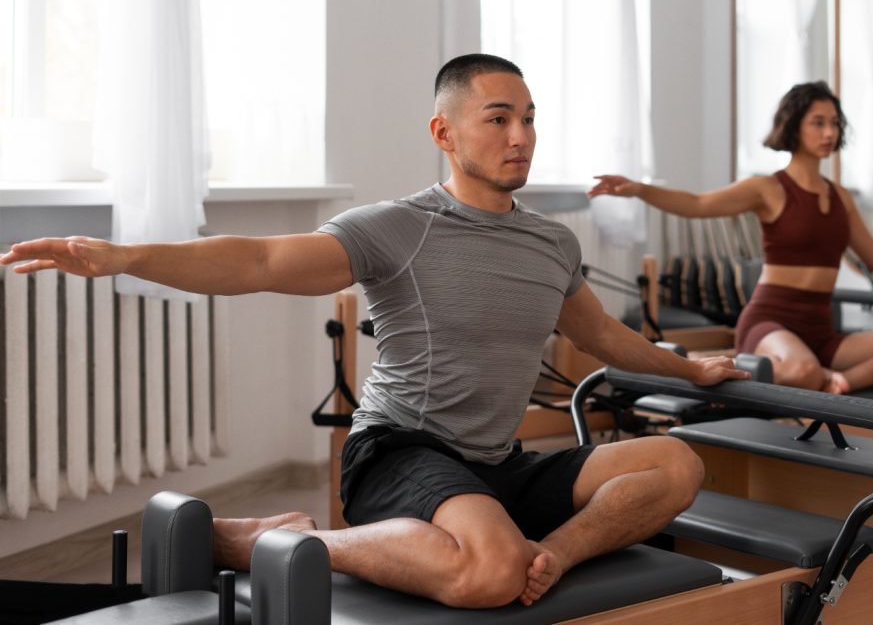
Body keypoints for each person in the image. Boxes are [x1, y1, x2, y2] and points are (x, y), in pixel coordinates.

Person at [1, 54, 747, 610]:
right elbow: (261, 258)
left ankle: (550, 552)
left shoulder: (553, 244)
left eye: (528, 118)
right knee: (487, 573)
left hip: (497, 464)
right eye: (498, 118)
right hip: (399, 452)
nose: (521, 135)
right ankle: (284, 538)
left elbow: (607, 340)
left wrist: (696, 372)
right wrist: (127, 255)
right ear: (443, 132)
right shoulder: (399, 227)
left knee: (678, 463)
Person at [588, 81, 873, 395]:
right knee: (802, 369)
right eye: (818, 122)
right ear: (794, 125)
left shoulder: (841, 196)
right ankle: (749, 363)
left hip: (822, 333)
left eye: (835, 123)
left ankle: (839, 383)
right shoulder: (769, 189)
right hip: (770, 322)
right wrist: (640, 189)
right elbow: (697, 203)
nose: (830, 132)